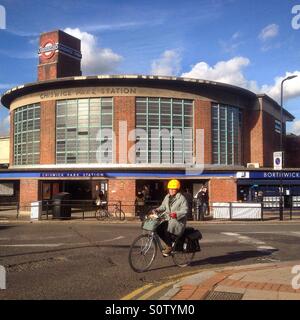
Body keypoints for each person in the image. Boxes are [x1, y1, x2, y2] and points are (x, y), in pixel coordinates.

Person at [150, 179, 188, 257]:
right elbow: (163, 206)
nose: (171, 190)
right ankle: (168, 244)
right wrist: (157, 209)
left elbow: (185, 210)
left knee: (167, 228)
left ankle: (169, 247)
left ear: (177, 189)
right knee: (158, 228)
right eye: (170, 189)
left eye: (173, 189)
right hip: (168, 219)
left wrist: (176, 214)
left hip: (178, 222)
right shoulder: (167, 197)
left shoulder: (182, 198)